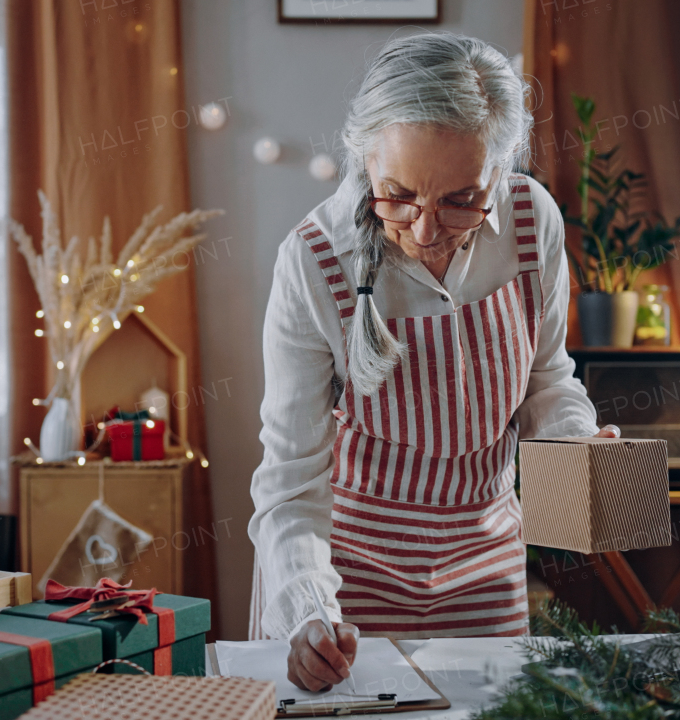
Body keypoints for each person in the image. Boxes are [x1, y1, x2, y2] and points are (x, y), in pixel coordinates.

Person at [248, 32, 619, 693]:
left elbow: (546, 379)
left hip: (487, 567)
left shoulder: (535, 224)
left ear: (501, 171)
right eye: (398, 195)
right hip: (348, 579)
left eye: (460, 200)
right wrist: (309, 612)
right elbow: (290, 485)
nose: (424, 231)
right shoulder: (314, 260)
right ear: (364, 156)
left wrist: (575, 443)